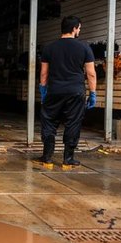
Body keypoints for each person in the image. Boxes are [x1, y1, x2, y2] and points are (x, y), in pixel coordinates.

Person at [37, 15, 97, 169]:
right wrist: (93, 93)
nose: (79, 31)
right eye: (79, 29)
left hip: (54, 91)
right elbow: (91, 73)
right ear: (74, 28)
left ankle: (47, 158)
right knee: (73, 123)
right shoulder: (84, 47)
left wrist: (43, 90)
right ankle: (68, 160)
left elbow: (44, 73)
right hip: (76, 92)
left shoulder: (49, 48)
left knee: (49, 122)